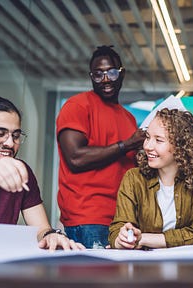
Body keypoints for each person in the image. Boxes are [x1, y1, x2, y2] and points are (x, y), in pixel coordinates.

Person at [0, 95, 85, 251]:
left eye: (15, 136)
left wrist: (51, 235)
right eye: (0, 134)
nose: (9, 143)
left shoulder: (21, 171)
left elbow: (41, 229)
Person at [56, 45, 146, 248]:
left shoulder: (128, 117)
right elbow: (75, 158)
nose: (105, 79)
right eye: (98, 74)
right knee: (94, 279)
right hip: (88, 216)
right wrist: (127, 144)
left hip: (122, 217)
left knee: (117, 279)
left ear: (121, 73)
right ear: (91, 76)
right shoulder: (77, 105)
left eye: (111, 72)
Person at [108, 108, 193, 249]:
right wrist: (121, 239)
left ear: (181, 146)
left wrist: (142, 239)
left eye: (158, 140)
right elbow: (117, 230)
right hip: (145, 266)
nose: (147, 146)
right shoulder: (133, 178)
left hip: (189, 265)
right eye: (147, 137)